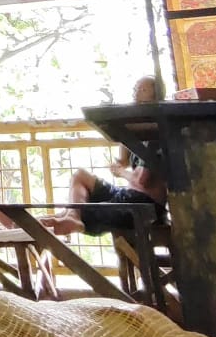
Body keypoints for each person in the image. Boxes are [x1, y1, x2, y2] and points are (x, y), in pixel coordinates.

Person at [39, 76, 166, 237]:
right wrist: (125, 133)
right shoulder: (139, 126)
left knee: (84, 211)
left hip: (145, 203)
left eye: (143, 90)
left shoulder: (154, 131)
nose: (136, 94)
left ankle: (63, 221)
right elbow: (123, 161)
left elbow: (142, 180)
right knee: (81, 177)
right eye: (135, 89)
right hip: (128, 195)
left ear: (156, 96)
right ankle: (70, 216)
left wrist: (121, 172)